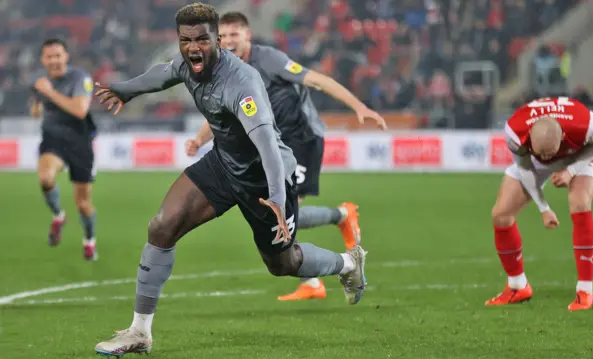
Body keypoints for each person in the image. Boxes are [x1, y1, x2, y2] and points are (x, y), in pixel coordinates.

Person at [94, 3, 367, 357]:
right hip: (223, 164)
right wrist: (126, 90)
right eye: (186, 39)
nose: (193, 47)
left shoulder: (242, 81)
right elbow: (162, 73)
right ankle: (139, 332)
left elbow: (267, 146)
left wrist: (279, 200)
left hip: (263, 178)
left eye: (202, 39)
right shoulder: (186, 64)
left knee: (283, 264)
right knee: (161, 227)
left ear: (217, 40)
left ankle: (348, 263)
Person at [181, 11, 384, 301]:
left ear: (247, 35)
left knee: (285, 214)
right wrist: (199, 140)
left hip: (301, 139)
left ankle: (332, 250)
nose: (227, 41)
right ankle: (339, 221)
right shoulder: (225, 68)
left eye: (234, 34)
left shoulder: (269, 60)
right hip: (274, 148)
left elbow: (318, 80)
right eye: (222, 36)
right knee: (279, 217)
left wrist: (358, 106)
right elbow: (221, 111)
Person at [487, 96, 593, 311]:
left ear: (562, 136)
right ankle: (517, 286)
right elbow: (525, 169)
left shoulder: (587, 124)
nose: (546, 158)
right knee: (501, 214)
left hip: (578, 155)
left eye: (548, 154)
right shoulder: (516, 133)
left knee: (579, 203)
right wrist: (544, 208)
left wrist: (570, 171)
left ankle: (585, 291)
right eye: (539, 152)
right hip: (533, 161)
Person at [30, 38, 98, 261]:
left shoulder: (80, 78)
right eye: (49, 56)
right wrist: (37, 104)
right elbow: (36, 112)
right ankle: (58, 216)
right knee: (45, 179)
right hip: (53, 141)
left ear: (66, 56)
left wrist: (49, 93)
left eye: (58, 55)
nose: (54, 60)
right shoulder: (41, 83)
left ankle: (89, 240)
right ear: (43, 60)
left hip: (80, 143)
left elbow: (79, 110)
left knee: (83, 204)